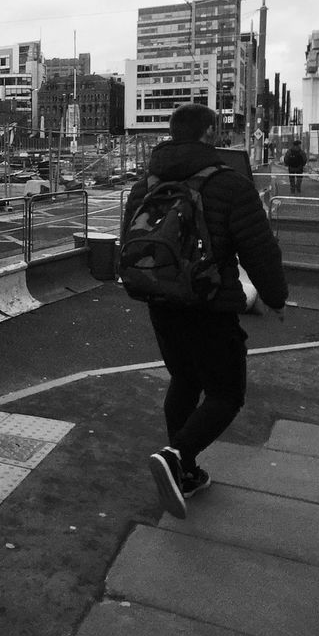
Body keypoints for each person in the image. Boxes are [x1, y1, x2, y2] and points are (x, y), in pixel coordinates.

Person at [121, 103, 288, 519]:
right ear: (210, 134)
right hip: (210, 305)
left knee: (184, 378)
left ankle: (186, 472)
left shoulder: (146, 185)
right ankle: (177, 457)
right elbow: (258, 247)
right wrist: (276, 295)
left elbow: (129, 240)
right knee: (227, 393)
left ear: (173, 133)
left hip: (160, 300)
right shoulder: (229, 184)